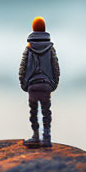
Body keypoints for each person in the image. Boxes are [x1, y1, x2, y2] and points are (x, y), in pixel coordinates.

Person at [18, 16, 60, 148]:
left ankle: (35, 136)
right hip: (46, 84)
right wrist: (54, 83)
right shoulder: (50, 49)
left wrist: (24, 84)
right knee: (46, 111)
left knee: (33, 111)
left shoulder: (28, 49)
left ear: (33, 29)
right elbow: (55, 68)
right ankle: (46, 137)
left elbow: (22, 68)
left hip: (32, 85)